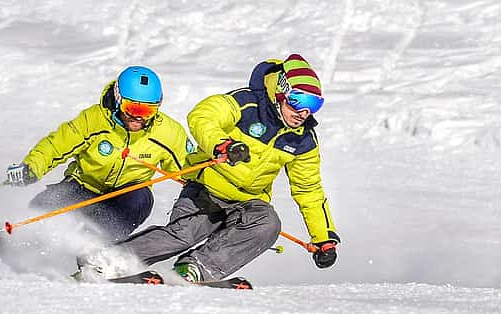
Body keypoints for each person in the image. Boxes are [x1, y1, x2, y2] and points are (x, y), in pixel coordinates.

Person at [78, 54, 340, 282]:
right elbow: (202, 116)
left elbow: (309, 190)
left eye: (314, 105)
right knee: (184, 235)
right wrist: (222, 145)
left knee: (268, 223)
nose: (304, 112)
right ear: (282, 92)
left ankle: (196, 268)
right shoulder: (247, 104)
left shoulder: (303, 140)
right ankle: (106, 260)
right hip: (205, 190)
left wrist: (323, 238)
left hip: (247, 203)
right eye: (298, 100)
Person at [6, 66, 193, 243]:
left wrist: (214, 176)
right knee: (38, 212)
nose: (139, 117)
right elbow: (56, 145)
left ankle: (93, 250)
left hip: (126, 196)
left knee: (139, 199)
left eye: (147, 111)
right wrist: (32, 167)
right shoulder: (94, 120)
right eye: (132, 109)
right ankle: (5, 242)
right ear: (119, 100)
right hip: (83, 187)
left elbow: (191, 166)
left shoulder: (168, 132)